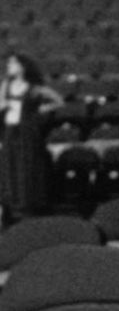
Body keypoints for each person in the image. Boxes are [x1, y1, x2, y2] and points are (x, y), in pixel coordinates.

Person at [0, 53, 62, 221]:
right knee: (9, 165)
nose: (9, 66)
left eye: (13, 63)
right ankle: (11, 202)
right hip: (10, 130)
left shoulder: (33, 87)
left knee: (25, 166)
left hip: (26, 131)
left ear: (22, 66)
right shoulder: (7, 84)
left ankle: (26, 204)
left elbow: (58, 100)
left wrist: (42, 109)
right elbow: (1, 104)